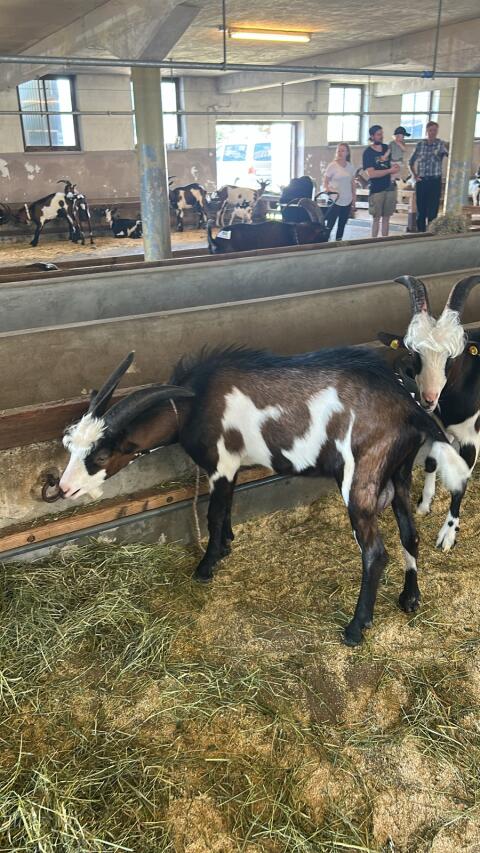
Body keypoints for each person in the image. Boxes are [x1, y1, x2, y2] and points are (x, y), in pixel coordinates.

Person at [409, 121, 448, 232]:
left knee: (433, 209)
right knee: (421, 209)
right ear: (427, 131)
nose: (433, 132)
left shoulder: (440, 144)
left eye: (435, 130)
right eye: (430, 130)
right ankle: (421, 233)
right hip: (422, 180)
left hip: (435, 181)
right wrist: (414, 175)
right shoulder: (420, 145)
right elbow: (411, 162)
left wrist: (448, 148)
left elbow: (451, 155)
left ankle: (431, 232)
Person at [362, 125, 400, 238]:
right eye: (378, 134)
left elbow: (395, 163)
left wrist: (396, 167)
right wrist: (389, 171)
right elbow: (371, 174)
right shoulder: (368, 153)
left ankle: (384, 241)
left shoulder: (386, 148)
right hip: (377, 189)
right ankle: (373, 241)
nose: (381, 136)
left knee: (387, 217)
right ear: (372, 136)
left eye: (382, 134)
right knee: (376, 218)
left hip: (390, 187)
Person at [323, 143, 356, 240]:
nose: (340, 153)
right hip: (335, 199)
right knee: (330, 225)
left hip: (347, 200)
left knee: (342, 225)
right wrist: (327, 189)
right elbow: (325, 181)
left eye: (343, 150)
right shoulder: (332, 166)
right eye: (338, 151)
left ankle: (338, 242)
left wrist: (354, 200)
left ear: (347, 153)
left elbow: (353, 184)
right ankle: (325, 243)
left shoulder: (350, 167)